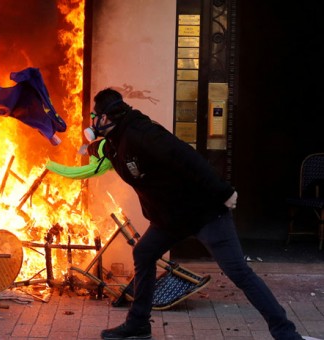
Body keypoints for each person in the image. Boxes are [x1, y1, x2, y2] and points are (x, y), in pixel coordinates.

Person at [83, 88, 305, 340]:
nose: (93, 121)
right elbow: (110, 152)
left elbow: (186, 157)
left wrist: (224, 191)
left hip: (204, 213)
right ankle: (138, 324)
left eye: (96, 115)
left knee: (238, 272)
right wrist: (91, 150)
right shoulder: (115, 140)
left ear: (108, 117)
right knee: (144, 252)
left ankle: (286, 333)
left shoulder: (143, 134)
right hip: (171, 218)